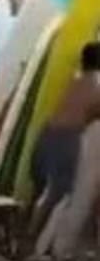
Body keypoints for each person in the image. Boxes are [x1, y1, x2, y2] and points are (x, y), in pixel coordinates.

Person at [29, 42, 100, 245]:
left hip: (47, 133)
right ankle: (33, 242)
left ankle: (24, 236)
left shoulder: (75, 81)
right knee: (59, 194)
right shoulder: (97, 84)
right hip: (67, 138)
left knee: (41, 190)